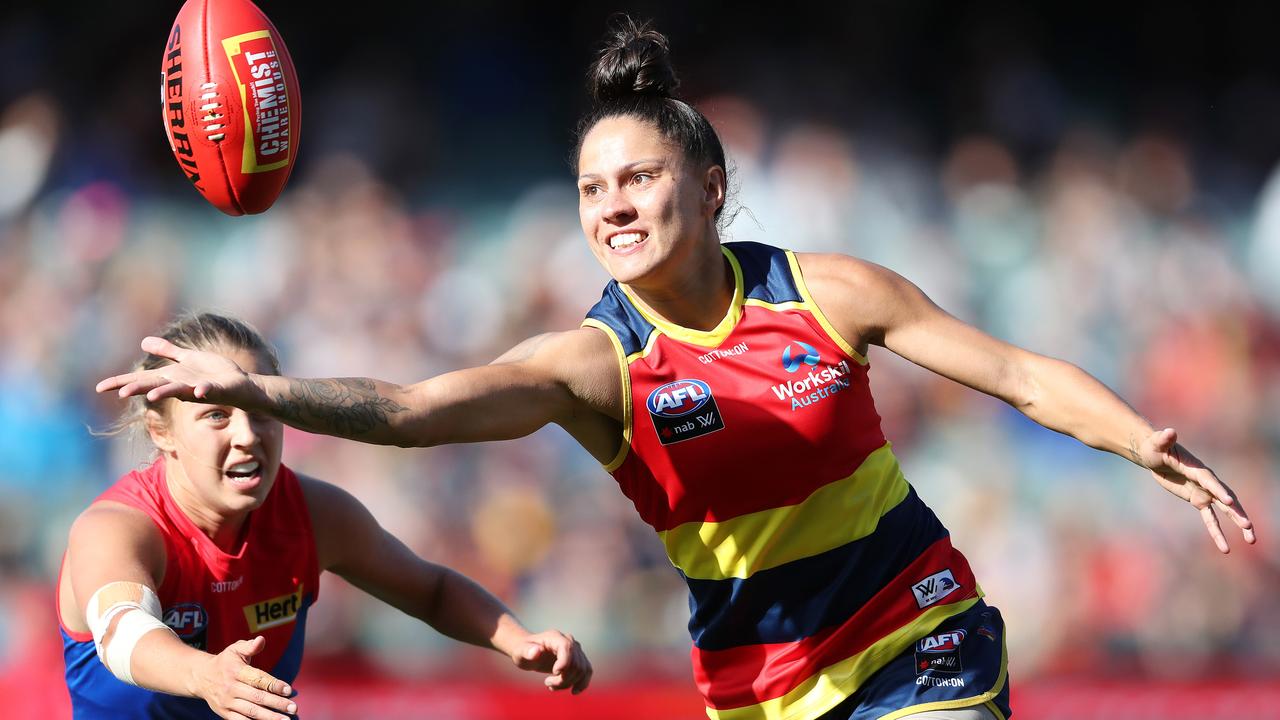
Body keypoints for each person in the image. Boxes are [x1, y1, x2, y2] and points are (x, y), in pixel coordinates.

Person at [97, 18, 1255, 720]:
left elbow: (1013, 373)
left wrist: (1141, 441)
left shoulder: (827, 292)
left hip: (917, 630)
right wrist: (261, 390)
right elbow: (409, 410)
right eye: (592, 189)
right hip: (754, 686)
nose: (612, 206)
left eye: (637, 179)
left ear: (705, 188)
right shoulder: (593, 367)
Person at [66, 312, 591, 720]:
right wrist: (207, 676)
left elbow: (429, 589)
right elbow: (122, 632)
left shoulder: (312, 513)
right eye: (216, 415)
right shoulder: (118, 527)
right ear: (161, 433)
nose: (248, 435)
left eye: (261, 409)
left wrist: (517, 639)